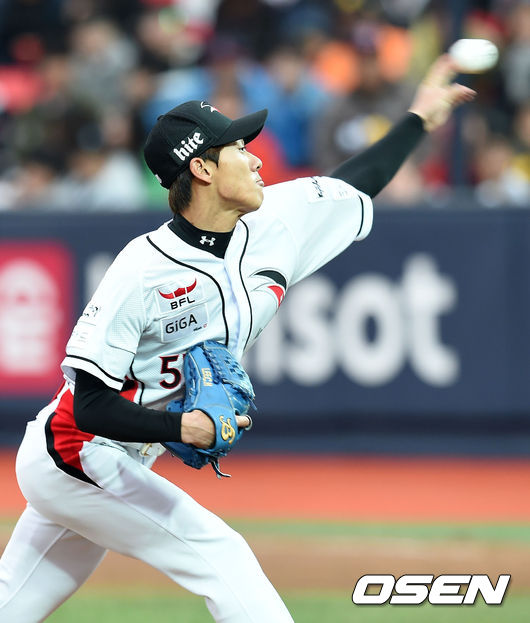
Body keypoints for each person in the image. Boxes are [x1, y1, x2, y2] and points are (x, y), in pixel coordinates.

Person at [0, 55, 474, 622]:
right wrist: (181, 427)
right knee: (220, 554)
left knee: (13, 602)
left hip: (118, 460)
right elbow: (90, 404)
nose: (256, 159)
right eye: (239, 149)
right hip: (76, 453)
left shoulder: (276, 221)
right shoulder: (142, 270)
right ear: (201, 169)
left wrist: (419, 119)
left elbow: (355, 183)